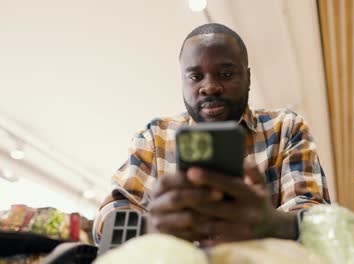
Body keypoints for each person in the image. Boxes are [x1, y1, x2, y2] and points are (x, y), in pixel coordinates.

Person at [93, 23, 330, 245]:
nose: (210, 87)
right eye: (195, 76)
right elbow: (106, 219)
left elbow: (317, 219)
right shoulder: (155, 135)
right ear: (182, 82)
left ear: (248, 78)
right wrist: (148, 227)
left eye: (225, 74)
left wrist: (271, 222)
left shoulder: (285, 128)